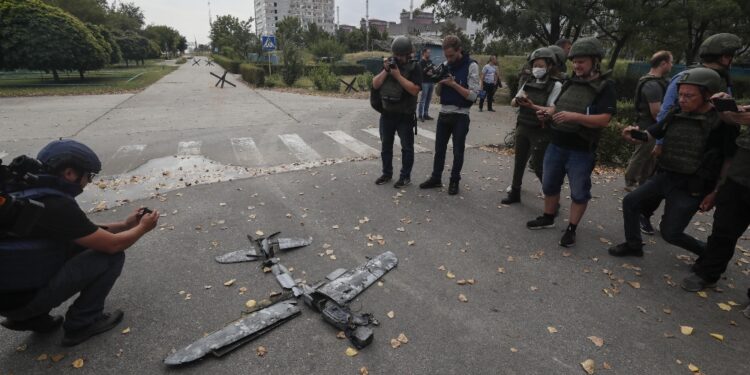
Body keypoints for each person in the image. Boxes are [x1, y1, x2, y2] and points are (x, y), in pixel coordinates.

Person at [0, 139, 159, 346]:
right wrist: (143, 228)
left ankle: (30, 318)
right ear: (69, 173)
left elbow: (82, 231)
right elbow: (113, 245)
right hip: (22, 301)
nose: (89, 182)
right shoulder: (56, 206)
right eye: (88, 176)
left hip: (9, 295)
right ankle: (83, 323)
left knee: (76, 246)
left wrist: (125, 224)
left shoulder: (23, 190)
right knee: (110, 257)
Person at [608, 68, 737, 259]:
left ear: (708, 95)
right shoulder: (676, 111)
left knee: (670, 233)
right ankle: (633, 245)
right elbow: (651, 133)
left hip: (693, 185)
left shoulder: (722, 123)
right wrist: (633, 134)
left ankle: (707, 253)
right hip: (666, 175)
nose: (682, 99)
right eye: (681, 94)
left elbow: (728, 160)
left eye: (689, 96)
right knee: (631, 201)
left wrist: (715, 192)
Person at [639, 33, 742, 235]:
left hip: (708, 145)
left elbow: (728, 117)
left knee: (693, 184)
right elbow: (667, 110)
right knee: (661, 181)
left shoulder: (722, 81)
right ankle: (646, 215)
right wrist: (659, 142)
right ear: (724, 58)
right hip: (678, 142)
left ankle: (670, 223)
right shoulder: (687, 77)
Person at [525, 37, 616, 248]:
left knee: (578, 192)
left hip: (581, 149)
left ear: (595, 61)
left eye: (582, 61)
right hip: (556, 143)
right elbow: (557, 108)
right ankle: (548, 217)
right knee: (549, 184)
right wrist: (546, 114)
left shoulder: (605, 85)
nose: (577, 65)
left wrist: (575, 117)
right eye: (574, 61)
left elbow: (604, 119)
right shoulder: (569, 82)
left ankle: (571, 229)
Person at [680, 101, 750, 291]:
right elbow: (733, 118)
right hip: (740, 177)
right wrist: (723, 107)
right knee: (723, 229)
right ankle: (707, 273)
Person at [419, 35, 480, 195]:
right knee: (439, 149)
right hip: (444, 113)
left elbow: (473, 96)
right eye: (446, 56)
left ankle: (454, 181)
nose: (449, 59)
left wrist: (453, 84)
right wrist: (440, 82)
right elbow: (439, 93)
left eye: (451, 55)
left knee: (458, 151)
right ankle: (436, 178)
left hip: (461, 115)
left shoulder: (471, 65)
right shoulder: (446, 64)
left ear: (459, 50)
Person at [502, 47, 562, 205]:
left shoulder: (556, 86)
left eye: (541, 65)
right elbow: (513, 102)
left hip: (541, 129)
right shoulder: (529, 82)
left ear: (549, 66)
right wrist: (518, 101)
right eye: (535, 65)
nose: (537, 69)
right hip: (524, 125)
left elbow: (551, 109)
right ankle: (515, 191)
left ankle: (552, 197)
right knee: (519, 160)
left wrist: (531, 105)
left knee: (539, 165)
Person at [372, 36, 423, 188]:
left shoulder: (415, 67)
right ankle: (387, 173)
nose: (399, 58)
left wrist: (398, 76)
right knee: (385, 146)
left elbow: (414, 90)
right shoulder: (390, 64)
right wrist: (386, 70)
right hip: (387, 113)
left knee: (407, 148)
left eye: (401, 55)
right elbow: (375, 84)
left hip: (405, 115)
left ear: (409, 54)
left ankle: (405, 177)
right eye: (396, 55)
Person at [623, 51, 673, 191]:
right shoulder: (652, 85)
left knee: (649, 156)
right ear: (663, 63)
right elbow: (656, 112)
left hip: (647, 124)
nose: (671, 65)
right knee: (642, 154)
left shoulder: (651, 81)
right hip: (648, 126)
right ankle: (630, 182)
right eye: (670, 62)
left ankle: (643, 183)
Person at [418, 48, 436, 121]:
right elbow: (421, 72)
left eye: (430, 52)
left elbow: (433, 70)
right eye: (428, 52)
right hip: (424, 82)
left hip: (431, 82)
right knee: (423, 99)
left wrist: (432, 71)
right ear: (424, 53)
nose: (429, 54)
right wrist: (427, 72)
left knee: (428, 99)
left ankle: (425, 114)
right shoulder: (421, 62)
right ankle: (420, 115)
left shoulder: (430, 61)